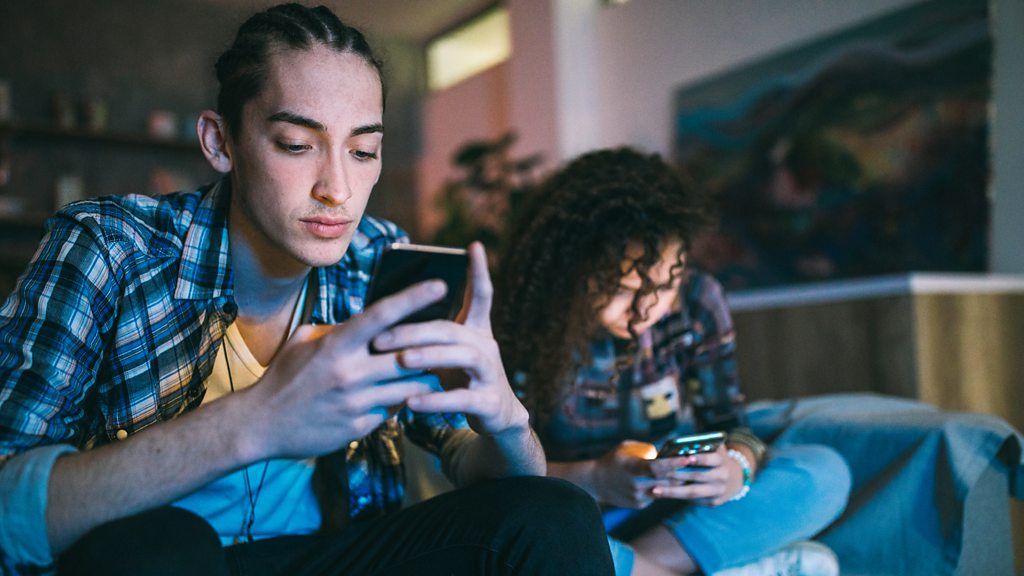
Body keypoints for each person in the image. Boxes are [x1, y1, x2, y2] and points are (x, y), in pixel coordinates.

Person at [0, 4, 615, 575]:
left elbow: (480, 467)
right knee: (165, 544)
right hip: (167, 562)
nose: (337, 189)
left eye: (364, 150)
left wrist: (507, 421)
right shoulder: (112, 247)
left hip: (323, 556)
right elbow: (5, 506)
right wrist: (259, 420)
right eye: (297, 145)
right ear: (220, 142)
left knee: (555, 512)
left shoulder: (377, 258)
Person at [493, 148, 851, 576]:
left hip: (671, 514)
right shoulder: (526, 323)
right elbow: (501, 480)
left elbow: (733, 425)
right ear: (573, 271)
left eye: (665, 286)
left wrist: (735, 468)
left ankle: (641, 568)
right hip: (578, 513)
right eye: (623, 289)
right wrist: (595, 477)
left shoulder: (698, 302)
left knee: (824, 473)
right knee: (525, 539)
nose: (644, 311)